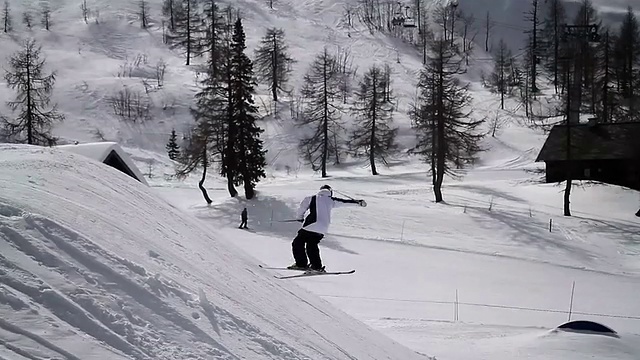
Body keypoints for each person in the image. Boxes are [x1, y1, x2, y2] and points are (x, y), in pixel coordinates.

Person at [288, 185, 367, 272]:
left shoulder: (311, 198)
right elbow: (344, 202)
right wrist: (358, 202)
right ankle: (316, 266)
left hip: (311, 225)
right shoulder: (331, 200)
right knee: (312, 245)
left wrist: (300, 217)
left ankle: (301, 264)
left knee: (297, 243)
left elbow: (302, 209)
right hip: (323, 228)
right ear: (330, 192)